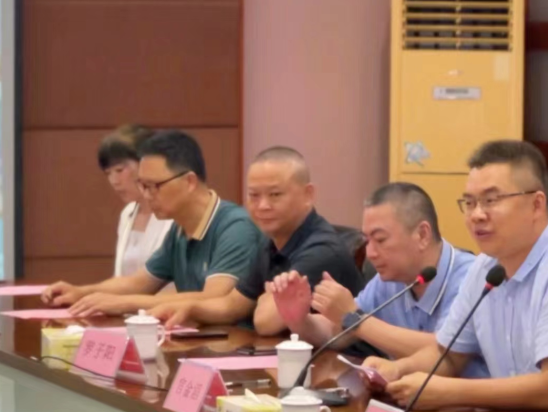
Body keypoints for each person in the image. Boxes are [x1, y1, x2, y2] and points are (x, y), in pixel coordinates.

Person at [362, 140, 548, 411]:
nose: (477, 215)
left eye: (491, 200)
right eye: (469, 202)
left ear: (536, 205)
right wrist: (398, 369)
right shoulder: (485, 267)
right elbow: (449, 355)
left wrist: (450, 392)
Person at [41, 130, 262, 316]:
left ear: (189, 182)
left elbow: (215, 297)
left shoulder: (235, 227)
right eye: (143, 186)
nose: (146, 196)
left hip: (234, 346)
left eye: (154, 186)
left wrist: (124, 304)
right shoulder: (179, 229)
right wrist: (81, 292)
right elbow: (139, 283)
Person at [150, 147, 363, 334]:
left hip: (337, 363)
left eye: (275, 195)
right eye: (254, 195)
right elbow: (235, 303)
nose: (263, 206)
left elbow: (265, 322)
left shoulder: (321, 250)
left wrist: (263, 301)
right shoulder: (270, 240)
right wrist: (191, 308)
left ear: (308, 195)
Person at [271, 182, 482, 370]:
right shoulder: (389, 280)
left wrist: (355, 319)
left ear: (422, 235)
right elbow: (338, 333)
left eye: (380, 240)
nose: (370, 253)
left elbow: (446, 352)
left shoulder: (470, 278)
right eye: (367, 240)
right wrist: (299, 320)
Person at [97, 124, 173, 277]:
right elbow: (122, 278)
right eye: (108, 173)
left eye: (119, 170)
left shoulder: (176, 214)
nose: (114, 181)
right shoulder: (128, 213)